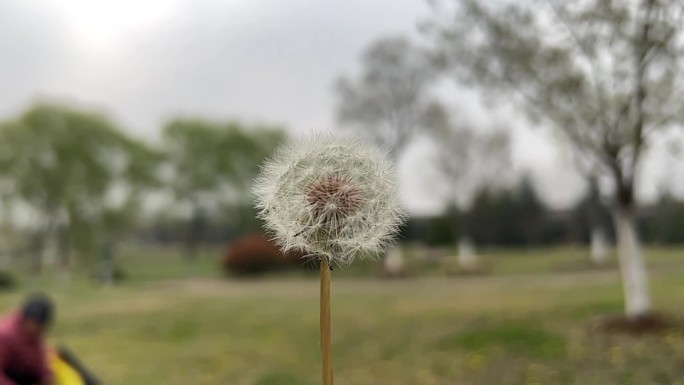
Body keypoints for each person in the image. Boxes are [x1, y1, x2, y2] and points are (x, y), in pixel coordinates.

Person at [0, 294, 54, 385]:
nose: (35, 330)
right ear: (24, 319)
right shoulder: (5, 335)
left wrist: (46, 376)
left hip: (21, 373)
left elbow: (39, 359)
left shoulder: (36, 334)